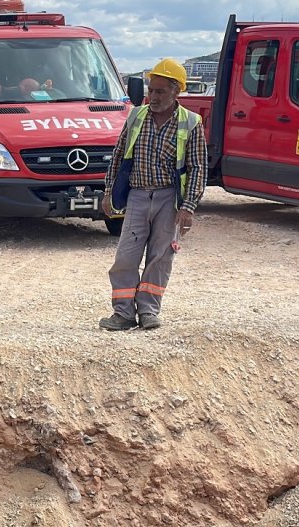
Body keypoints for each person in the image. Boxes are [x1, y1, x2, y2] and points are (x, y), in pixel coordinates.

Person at [98, 58, 207, 331]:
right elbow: (118, 157)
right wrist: (109, 192)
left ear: (176, 92)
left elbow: (197, 168)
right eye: (151, 90)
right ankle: (122, 314)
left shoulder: (190, 123)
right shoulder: (136, 116)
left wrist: (189, 206)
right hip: (137, 196)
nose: (153, 97)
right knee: (126, 256)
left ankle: (148, 311)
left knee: (160, 257)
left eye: (160, 91)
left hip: (168, 200)